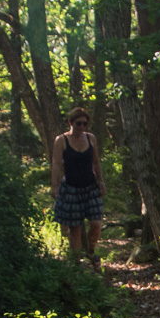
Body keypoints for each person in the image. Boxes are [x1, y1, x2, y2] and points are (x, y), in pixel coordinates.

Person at [50, 106, 107, 270]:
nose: (81, 127)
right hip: (71, 188)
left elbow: (96, 162)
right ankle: (76, 263)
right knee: (75, 227)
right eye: (78, 124)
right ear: (70, 123)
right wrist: (54, 187)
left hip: (90, 187)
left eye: (84, 124)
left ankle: (90, 252)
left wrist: (101, 181)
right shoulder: (61, 140)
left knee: (96, 223)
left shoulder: (90, 138)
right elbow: (55, 164)